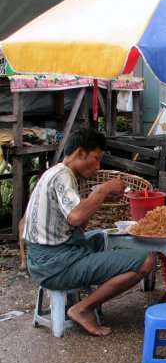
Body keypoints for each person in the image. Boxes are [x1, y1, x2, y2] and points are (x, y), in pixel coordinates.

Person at [23, 127, 154, 336]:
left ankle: (87, 300)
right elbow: (76, 216)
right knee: (147, 260)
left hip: (45, 259)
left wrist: (99, 200)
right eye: (96, 158)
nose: (98, 166)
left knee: (104, 236)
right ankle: (83, 308)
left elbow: (77, 223)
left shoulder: (54, 172)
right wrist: (102, 190)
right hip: (56, 264)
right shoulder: (63, 175)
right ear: (80, 153)